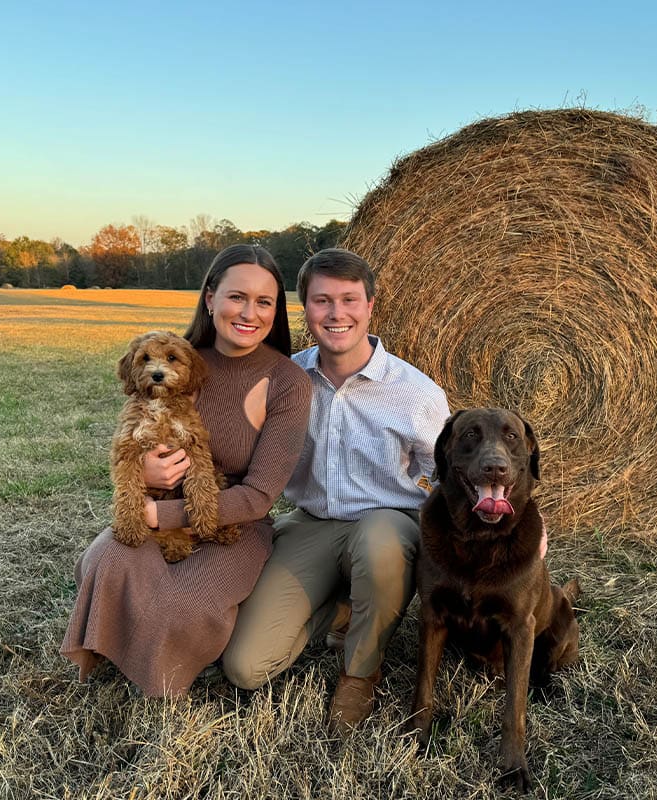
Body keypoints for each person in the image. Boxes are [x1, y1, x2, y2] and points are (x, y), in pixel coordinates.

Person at [61, 244, 312, 697]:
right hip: (155, 502)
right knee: (106, 561)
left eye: (264, 302)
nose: (249, 313)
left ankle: (164, 670)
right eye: (237, 297)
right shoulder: (178, 359)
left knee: (181, 602)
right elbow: (133, 443)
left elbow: (259, 496)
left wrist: (164, 516)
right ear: (211, 297)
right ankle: (117, 650)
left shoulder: (289, 382)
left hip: (235, 521)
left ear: (277, 311)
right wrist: (147, 474)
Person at [221, 248, 450, 734]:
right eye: (322, 301)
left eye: (349, 299)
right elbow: (236, 447)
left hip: (390, 522)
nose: (336, 313)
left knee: (378, 540)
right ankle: (342, 607)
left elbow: (450, 471)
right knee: (245, 667)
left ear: (370, 306)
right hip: (313, 523)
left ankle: (359, 673)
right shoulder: (285, 378)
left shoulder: (415, 391)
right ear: (305, 308)